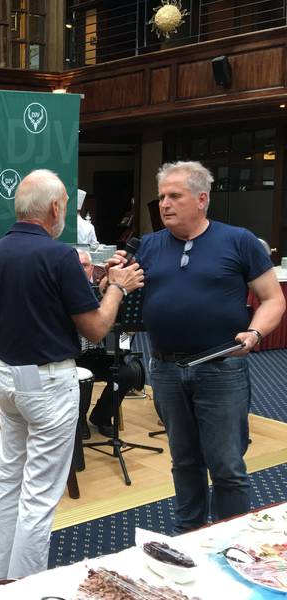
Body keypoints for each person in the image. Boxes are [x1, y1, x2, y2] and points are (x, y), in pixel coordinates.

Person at [0, 169, 144, 580]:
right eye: (64, 203)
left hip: (7, 378)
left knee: (9, 481)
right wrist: (117, 288)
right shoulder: (60, 255)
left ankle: (0, 580)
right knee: (39, 495)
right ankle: (24, 586)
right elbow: (96, 329)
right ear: (53, 207)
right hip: (48, 384)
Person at [119, 160, 285, 533]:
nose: (165, 204)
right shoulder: (148, 245)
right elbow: (115, 291)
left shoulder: (239, 240)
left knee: (226, 466)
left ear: (201, 199)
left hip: (221, 368)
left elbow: (273, 299)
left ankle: (231, 541)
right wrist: (110, 280)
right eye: (162, 196)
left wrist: (255, 333)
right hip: (165, 369)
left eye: (174, 196)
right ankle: (188, 537)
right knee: (184, 462)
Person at [74, 250, 139, 439]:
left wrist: (125, 340)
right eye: (77, 265)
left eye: (85, 265)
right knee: (77, 377)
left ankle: (101, 416)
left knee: (128, 373)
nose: (81, 269)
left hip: (105, 354)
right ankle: (78, 419)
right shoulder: (67, 291)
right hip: (75, 356)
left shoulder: (109, 292)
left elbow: (125, 329)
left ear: (92, 268)